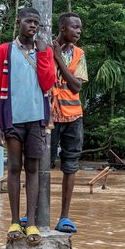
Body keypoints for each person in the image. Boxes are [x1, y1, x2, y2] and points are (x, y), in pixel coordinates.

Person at [0, 7, 55, 245]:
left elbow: (48, 82)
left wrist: (42, 55)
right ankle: (15, 221)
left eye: (36, 23)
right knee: (14, 167)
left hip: (37, 119)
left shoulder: (44, 51)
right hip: (12, 118)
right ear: (18, 22)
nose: (33, 26)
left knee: (32, 168)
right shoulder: (4, 51)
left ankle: (31, 224)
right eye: (29, 21)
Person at [50, 12, 87, 233]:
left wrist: (58, 58)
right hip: (50, 116)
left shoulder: (79, 54)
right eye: (75, 28)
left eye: (79, 28)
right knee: (41, 164)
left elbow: (76, 86)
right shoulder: (45, 49)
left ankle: (64, 217)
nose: (78, 32)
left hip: (73, 115)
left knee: (70, 165)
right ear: (63, 28)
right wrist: (53, 54)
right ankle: (33, 213)